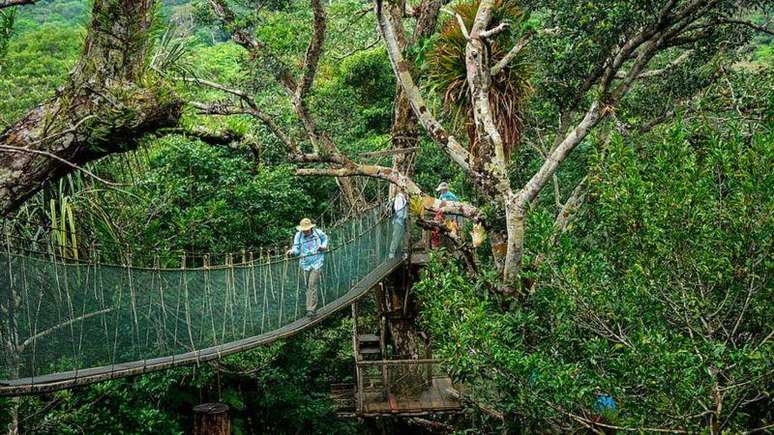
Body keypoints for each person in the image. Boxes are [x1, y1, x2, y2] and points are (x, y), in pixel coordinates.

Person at [286, 218, 328, 317]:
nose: (305, 232)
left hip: (317, 262)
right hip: (304, 264)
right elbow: (296, 248)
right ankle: (307, 306)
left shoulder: (318, 233)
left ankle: (310, 309)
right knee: (306, 286)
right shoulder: (298, 235)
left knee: (312, 285)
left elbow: (325, 238)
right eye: (304, 230)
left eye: (307, 230)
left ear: (311, 228)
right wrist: (292, 252)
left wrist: (323, 246)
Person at [388, 188, 408, 259]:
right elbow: (398, 209)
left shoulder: (403, 197)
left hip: (401, 221)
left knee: (401, 236)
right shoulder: (399, 197)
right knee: (396, 236)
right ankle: (392, 254)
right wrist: (403, 216)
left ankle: (400, 253)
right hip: (398, 220)